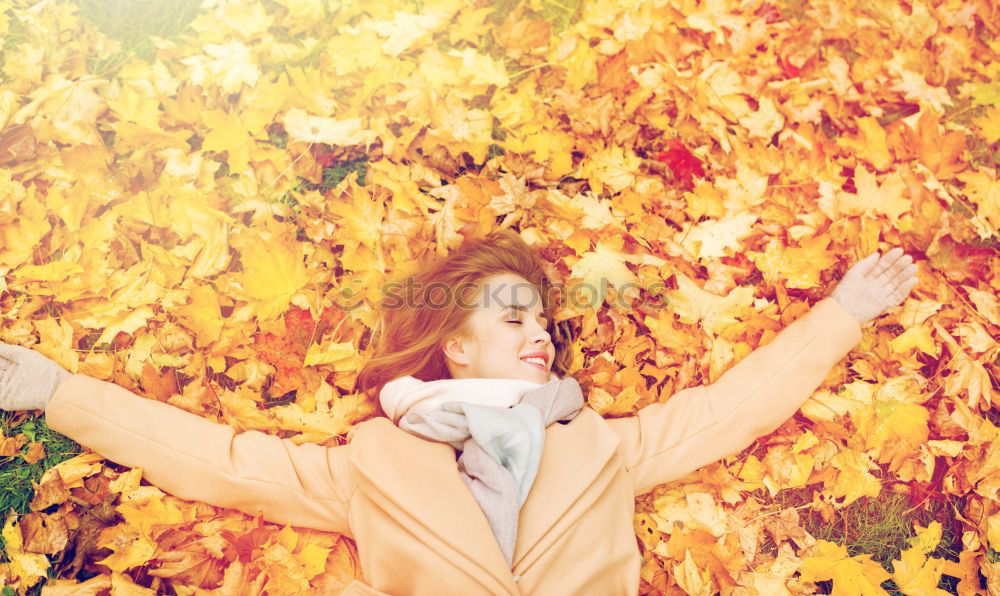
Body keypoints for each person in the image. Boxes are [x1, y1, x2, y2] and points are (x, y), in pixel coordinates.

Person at [0, 230, 917, 595]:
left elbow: (733, 409)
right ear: (455, 347)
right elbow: (224, 461)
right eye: (513, 318)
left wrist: (844, 311)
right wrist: (59, 393)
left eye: (545, 324)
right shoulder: (370, 464)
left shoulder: (599, 445)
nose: (540, 337)